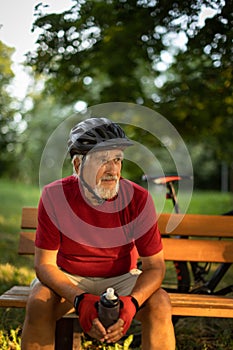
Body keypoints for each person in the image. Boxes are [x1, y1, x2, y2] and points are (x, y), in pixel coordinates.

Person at [21, 117, 175, 350]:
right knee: (38, 302)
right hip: (68, 275)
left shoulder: (138, 199)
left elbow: (155, 267)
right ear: (77, 165)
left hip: (122, 277)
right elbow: (45, 266)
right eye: (103, 160)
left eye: (117, 159)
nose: (113, 170)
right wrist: (80, 299)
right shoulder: (54, 196)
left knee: (160, 303)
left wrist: (132, 303)